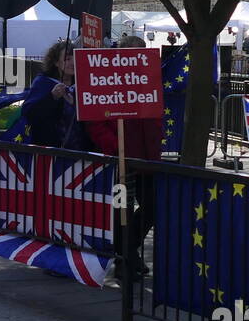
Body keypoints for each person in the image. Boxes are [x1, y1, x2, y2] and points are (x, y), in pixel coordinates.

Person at [86, 35, 160, 278]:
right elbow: (96, 123)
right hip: (118, 160)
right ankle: (126, 259)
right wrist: (117, 150)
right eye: (131, 51)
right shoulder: (105, 79)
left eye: (141, 51)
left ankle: (127, 251)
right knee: (121, 211)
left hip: (145, 160)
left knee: (152, 208)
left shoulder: (149, 80)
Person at [21, 38, 89, 150]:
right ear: (56, 62)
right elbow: (29, 113)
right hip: (51, 151)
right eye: (67, 59)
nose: (72, 63)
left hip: (81, 151)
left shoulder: (83, 84)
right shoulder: (43, 83)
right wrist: (52, 98)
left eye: (75, 58)